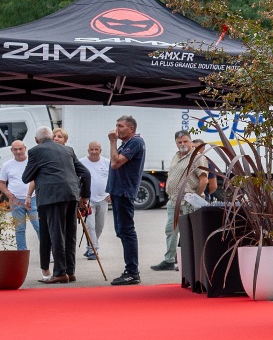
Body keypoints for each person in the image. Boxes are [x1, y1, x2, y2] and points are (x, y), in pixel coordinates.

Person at [22, 126, 81, 284]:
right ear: (51, 136)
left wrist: (40, 170)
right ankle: (71, 271)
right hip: (72, 194)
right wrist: (84, 195)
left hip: (52, 196)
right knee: (70, 233)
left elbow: (26, 176)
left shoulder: (36, 151)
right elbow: (85, 173)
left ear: (36, 140)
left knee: (57, 234)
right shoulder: (68, 150)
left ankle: (60, 272)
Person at [105, 115, 146, 285]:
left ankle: (132, 271)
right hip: (118, 192)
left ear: (131, 128)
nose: (117, 129)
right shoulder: (127, 143)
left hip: (124, 192)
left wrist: (112, 142)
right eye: (116, 125)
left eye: (120, 126)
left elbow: (115, 163)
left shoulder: (135, 142)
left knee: (127, 231)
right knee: (121, 231)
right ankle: (130, 269)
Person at [153, 130, 202, 271]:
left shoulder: (197, 157)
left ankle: (188, 261)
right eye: (179, 142)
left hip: (187, 202)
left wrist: (195, 198)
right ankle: (169, 260)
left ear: (191, 142)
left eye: (185, 141)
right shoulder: (176, 156)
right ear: (176, 143)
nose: (183, 144)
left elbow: (203, 180)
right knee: (171, 230)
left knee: (187, 232)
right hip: (173, 201)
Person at [0, 139, 34, 250]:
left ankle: (49, 253)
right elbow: (1, 183)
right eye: (15, 149)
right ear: (11, 150)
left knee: (40, 226)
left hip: (33, 198)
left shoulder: (32, 162)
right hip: (16, 200)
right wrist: (9, 194)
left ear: (25, 148)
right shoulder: (7, 165)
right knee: (19, 228)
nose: (18, 152)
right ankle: (22, 253)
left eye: (20, 149)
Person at [80, 139, 111, 258]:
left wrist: (111, 192)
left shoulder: (106, 162)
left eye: (96, 149)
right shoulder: (81, 162)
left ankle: (90, 246)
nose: (94, 152)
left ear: (100, 150)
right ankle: (94, 250)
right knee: (90, 225)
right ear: (88, 150)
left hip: (103, 199)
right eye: (91, 149)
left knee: (99, 226)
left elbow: (112, 179)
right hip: (88, 199)